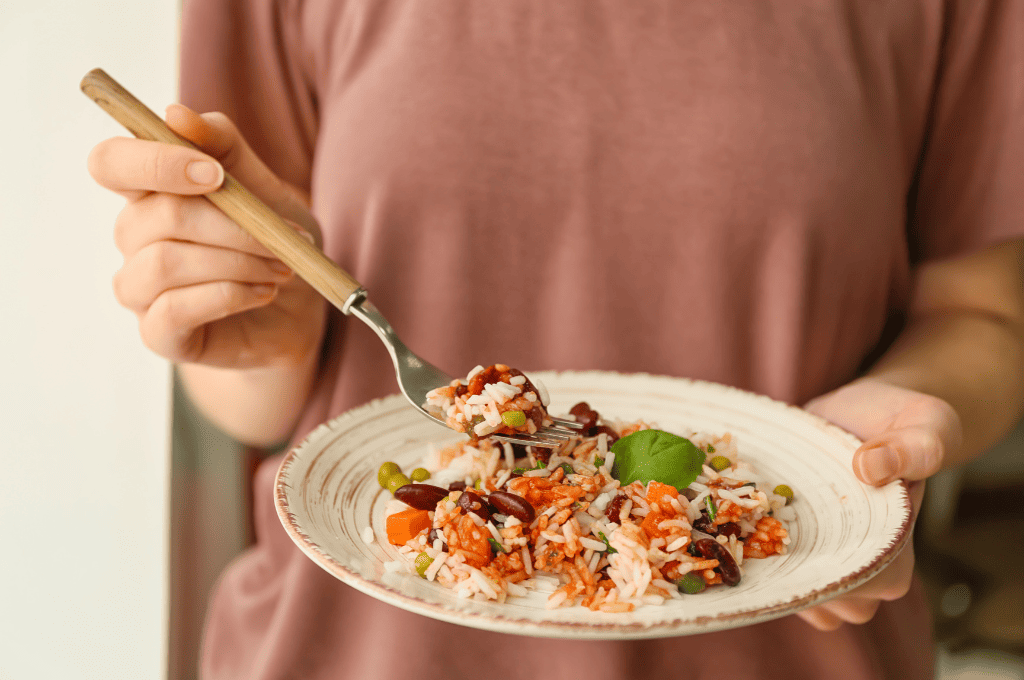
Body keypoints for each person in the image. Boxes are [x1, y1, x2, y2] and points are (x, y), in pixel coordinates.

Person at [88, 1, 1024, 678]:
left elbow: (986, 314)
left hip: (800, 644)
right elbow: (256, 400)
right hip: (346, 651)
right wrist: (262, 332)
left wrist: (884, 433)